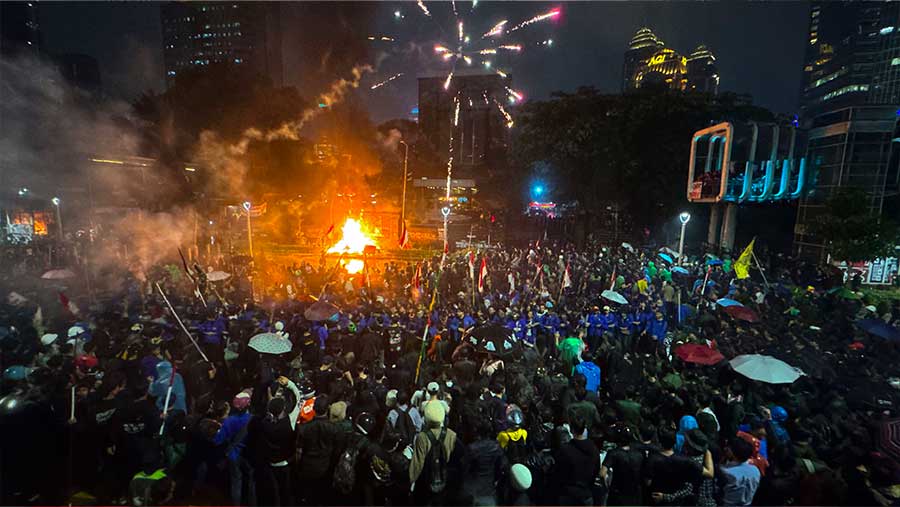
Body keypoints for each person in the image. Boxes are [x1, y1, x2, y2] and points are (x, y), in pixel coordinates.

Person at [409, 401, 464, 506]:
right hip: (447, 485)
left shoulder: (422, 437)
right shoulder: (451, 435)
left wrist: (411, 482)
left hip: (426, 486)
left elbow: (417, 464)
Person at [213, 389, 255, 506]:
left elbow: (218, 440)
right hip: (248, 454)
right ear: (248, 404)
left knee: (236, 482)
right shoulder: (253, 419)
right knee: (252, 481)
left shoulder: (229, 421)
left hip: (233, 455)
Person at [550, 415, 599, 505]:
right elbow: (596, 471)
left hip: (568, 495)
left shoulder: (564, 450)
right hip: (586, 494)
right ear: (584, 429)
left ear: (571, 430)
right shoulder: (594, 449)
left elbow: (558, 472)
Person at [720, 437, 761, 506]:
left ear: (733, 453)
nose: (725, 449)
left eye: (728, 448)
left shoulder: (726, 472)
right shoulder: (755, 470)